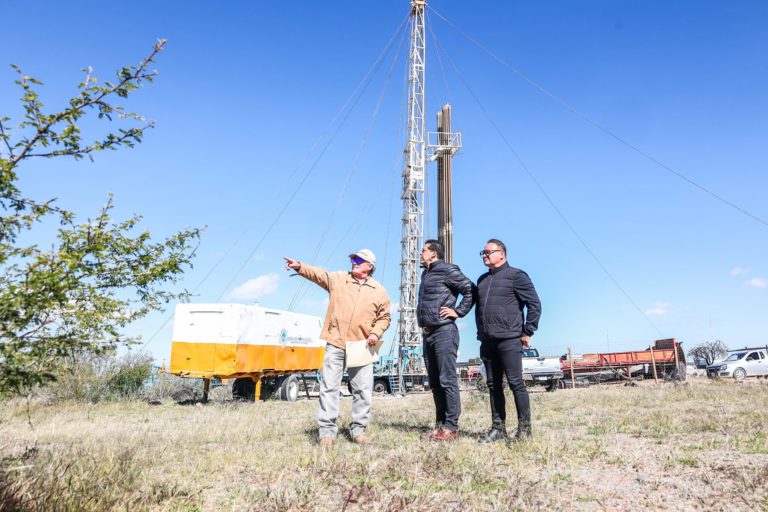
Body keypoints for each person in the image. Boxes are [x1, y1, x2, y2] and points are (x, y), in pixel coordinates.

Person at [284, 249, 391, 446]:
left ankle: (358, 429)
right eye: (352, 258)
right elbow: (320, 275)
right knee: (329, 387)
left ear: (370, 266)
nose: (354, 262)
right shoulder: (339, 279)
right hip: (335, 341)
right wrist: (300, 267)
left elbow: (384, 318)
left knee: (362, 390)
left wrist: (376, 333)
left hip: (361, 345)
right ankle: (327, 432)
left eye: (359, 259)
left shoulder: (379, 291)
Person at [475, 238, 541, 444]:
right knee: (493, 385)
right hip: (487, 341)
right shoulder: (482, 280)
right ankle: (498, 428)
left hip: (510, 339)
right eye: (483, 253)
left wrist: (527, 331)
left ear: (502, 253)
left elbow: (534, 304)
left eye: (488, 252)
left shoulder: (516, 276)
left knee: (516, 384)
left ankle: (524, 430)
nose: (484, 255)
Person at [416, 239, 475, 441]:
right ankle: (440, 426)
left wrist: (458, 311)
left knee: (446, 379)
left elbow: (469, 289)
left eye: (424, 250)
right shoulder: (426, 273)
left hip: (444, 332)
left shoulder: (447, 270)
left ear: (434, 253)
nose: (420, 253)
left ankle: (452, 427)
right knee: (434, 382)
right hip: (428, 333)